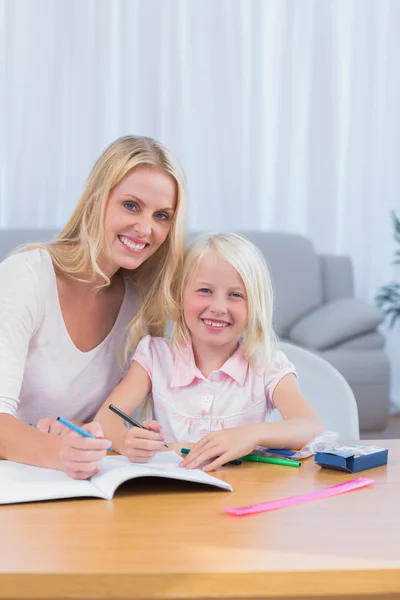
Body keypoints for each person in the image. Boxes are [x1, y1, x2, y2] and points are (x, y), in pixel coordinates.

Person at [0, 135, 187, 479]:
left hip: (76, 486)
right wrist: (62, 452)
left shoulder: (140, 309)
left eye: (162, 215)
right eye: (131, 205)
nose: (146, 228)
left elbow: (103, 425)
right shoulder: (26, 275)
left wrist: (113, 438)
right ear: (96, 200)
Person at [96, 232, 323, 471]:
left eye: (236, 295)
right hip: (171, 495)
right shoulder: (154, 356)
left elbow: (310, 426)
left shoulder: (266, 364)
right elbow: (106, 419)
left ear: (255, 305)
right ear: (179, 296)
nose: (218, 307)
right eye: (205, 290)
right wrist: (126, 442)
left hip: (245, 494)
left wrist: (251, 435)